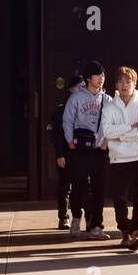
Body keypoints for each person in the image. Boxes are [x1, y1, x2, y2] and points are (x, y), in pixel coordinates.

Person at [100, 66, 138, 251]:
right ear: (115, 84)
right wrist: (131, 128)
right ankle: (125, 231)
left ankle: (137, 232)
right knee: (119, 199)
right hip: (117, 159)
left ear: (135, 83)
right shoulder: (109, 107)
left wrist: (120, 134)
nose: (124, 85)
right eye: (120, 82)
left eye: (128, 82)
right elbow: (107, 131)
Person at [61, 60, 110, 240]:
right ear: (89, 78)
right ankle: (76, 217)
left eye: (103, 75)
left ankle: (96, 225)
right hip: (80, 149)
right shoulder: (76, 98)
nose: (102, 79)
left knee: (99, 188)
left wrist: (105, 142)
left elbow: (110, 123)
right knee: (79, 186)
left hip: (99, 150)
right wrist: (69, 141)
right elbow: (67, 120)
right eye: (98, 75)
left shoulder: (107, 99)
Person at [47, 74, 81, 229]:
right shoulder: (61, 110)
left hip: (81, 152)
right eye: (78, 87)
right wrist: (59, 154)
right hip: (66, 152)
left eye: (83, 86)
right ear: (71, 89)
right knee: (65, 185)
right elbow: (57, 136)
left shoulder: (85, 107)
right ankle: (63, 217)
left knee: (82, 185)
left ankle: (79, 216)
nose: (81, 90)